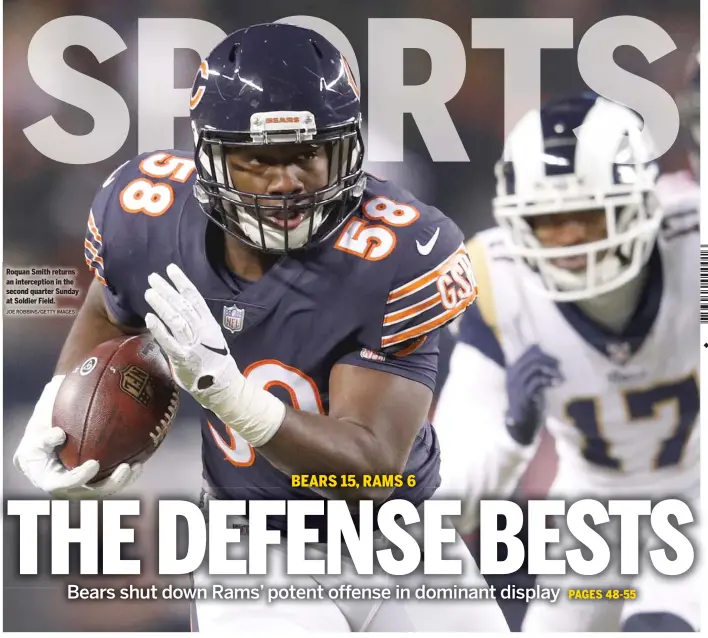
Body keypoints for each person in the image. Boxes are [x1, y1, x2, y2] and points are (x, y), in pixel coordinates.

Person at [13, 23, 508, 633]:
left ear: (344, 149)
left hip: (403, 536)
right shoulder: (145, 219)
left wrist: (230, 396)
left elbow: (371, 471)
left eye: (306, 153)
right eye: (257, 160)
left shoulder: (399, 250)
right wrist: (60, 408)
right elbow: (106, 307)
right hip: (253, 547)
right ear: (210, 157)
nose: (286, 182)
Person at [433, 92, 700, 632]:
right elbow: (447, 510)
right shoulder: (495, 279)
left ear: (641, 203)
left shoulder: (695, 246)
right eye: (551, 223)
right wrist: (512, 435)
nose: (571, 244)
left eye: (588, 216)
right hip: (589, 511)